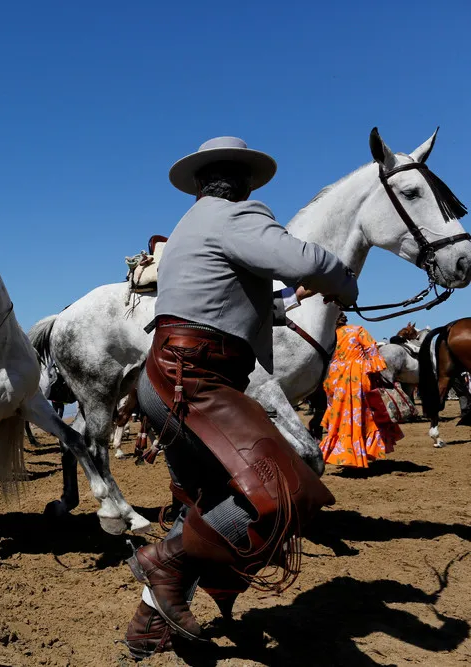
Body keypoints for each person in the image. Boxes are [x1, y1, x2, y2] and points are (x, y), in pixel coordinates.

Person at [123, 137, 359, 659]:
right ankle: (163, 559)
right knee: (289, 489)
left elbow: (221, 301)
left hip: (168, 376)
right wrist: (342, 280)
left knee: (206, 504)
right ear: (245, 183)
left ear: (203, 182)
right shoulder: (235, 215)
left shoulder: (192, 226)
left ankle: (148, 623)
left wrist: (287, 301)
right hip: (196, 379)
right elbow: (301, 257)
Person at [319, 313, 402, 469]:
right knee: (363, 416)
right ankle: (361, 452)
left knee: (340, 417)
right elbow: (373, 355)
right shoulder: (358, 330)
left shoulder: (328, 336)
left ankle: (343, 454)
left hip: (335, 378)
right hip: (357, 376)